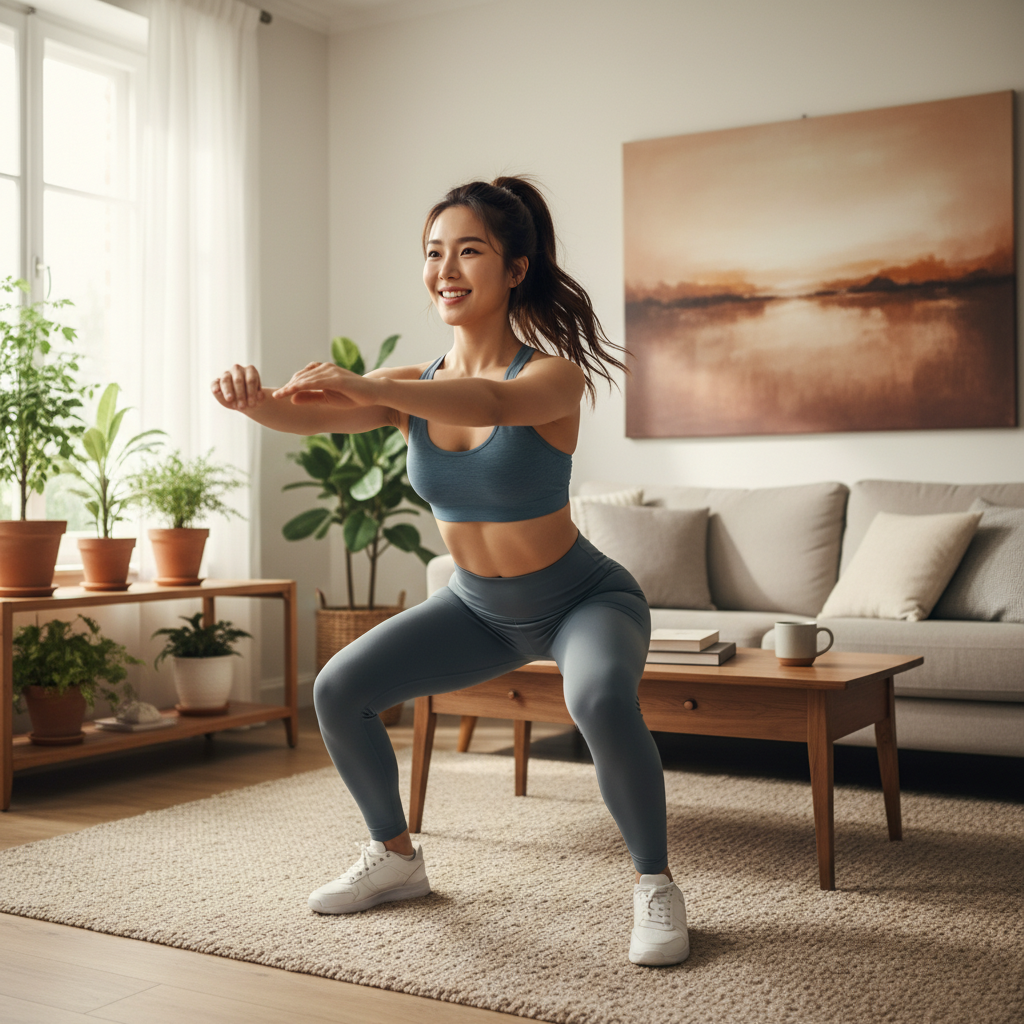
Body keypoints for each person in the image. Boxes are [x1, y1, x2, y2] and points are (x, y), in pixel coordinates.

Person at [212, 176, 689, 966]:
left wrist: (370, 385)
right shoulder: (409, 386)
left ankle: (656, 885)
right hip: (476, 609)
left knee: (600, 699)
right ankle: (395, 857)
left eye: (469, 251)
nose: (446, 269)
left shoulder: (553, 377)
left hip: (582, 599)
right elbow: (307, 416)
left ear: (516, 269)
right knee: (338, 689)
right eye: (434, 252)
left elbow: (489, 406)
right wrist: (253, 402)